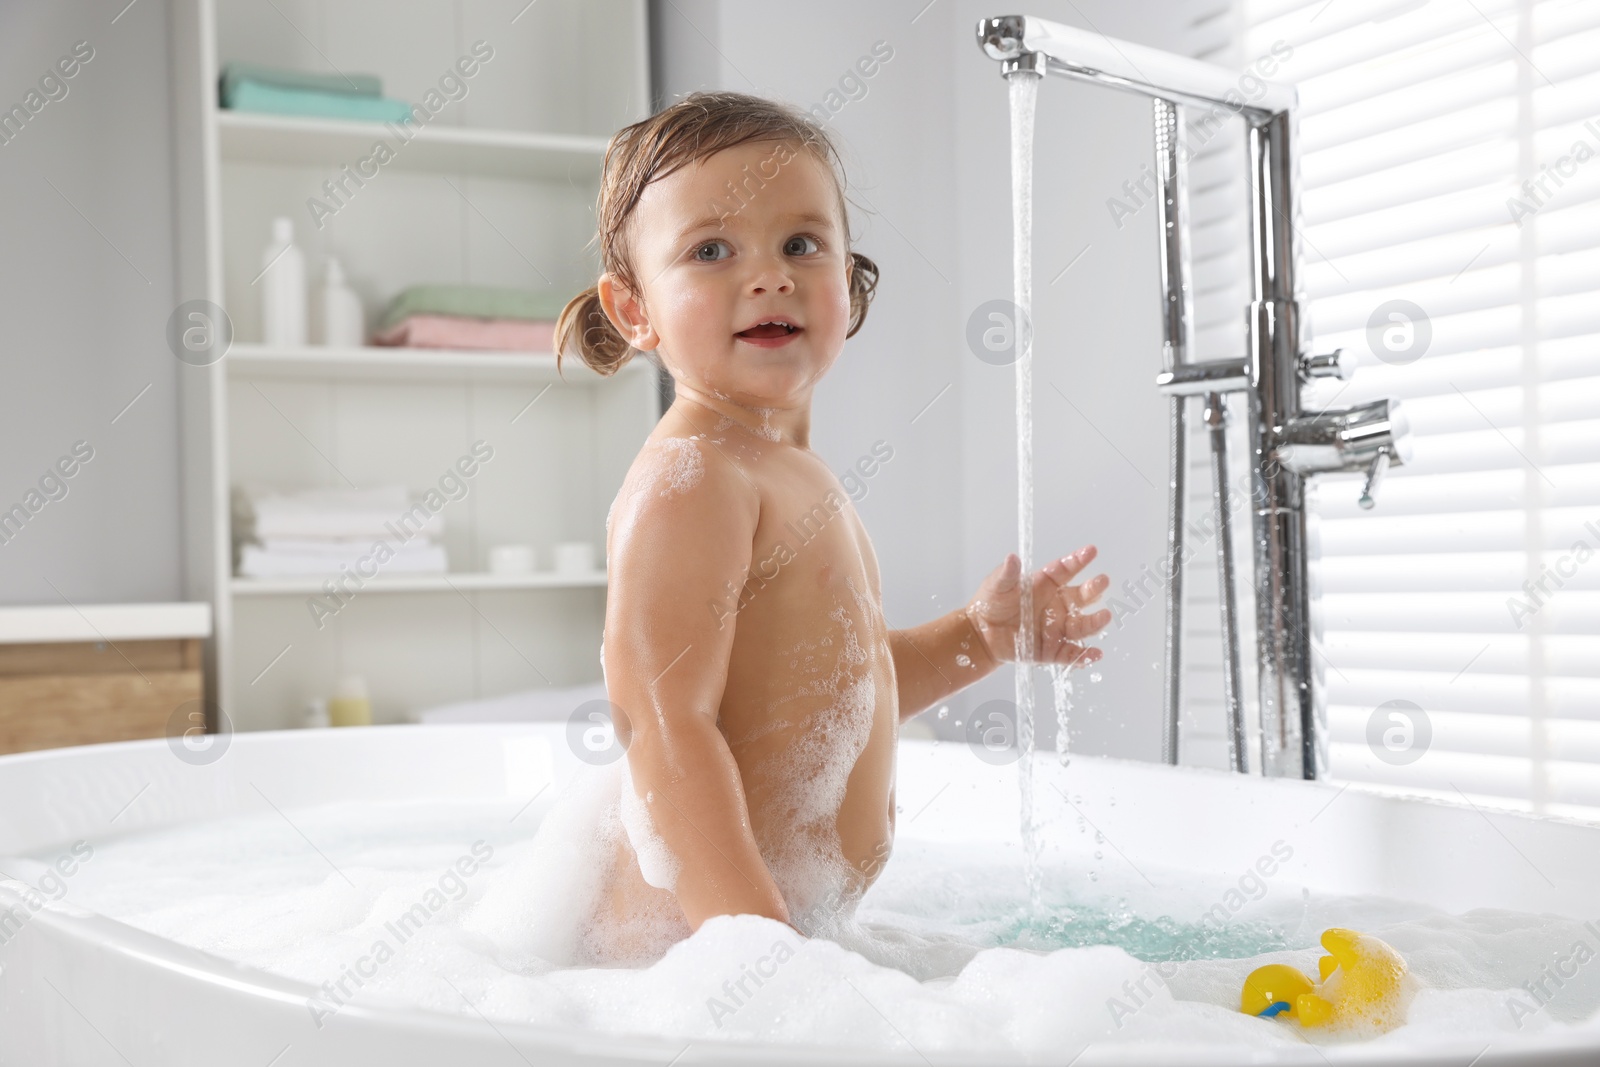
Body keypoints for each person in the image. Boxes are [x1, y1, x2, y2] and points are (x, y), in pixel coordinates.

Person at [551, 90, 1111, 964]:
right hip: (677, 956)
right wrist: (757, 955)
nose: (767, 273)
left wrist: (977, 638)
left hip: (779, 928)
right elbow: (662, 722)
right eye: (710, 250)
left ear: (847, 287)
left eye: (801, 244)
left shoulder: (789, 472)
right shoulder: (693, 478)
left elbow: (830, 700)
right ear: (634, 310)